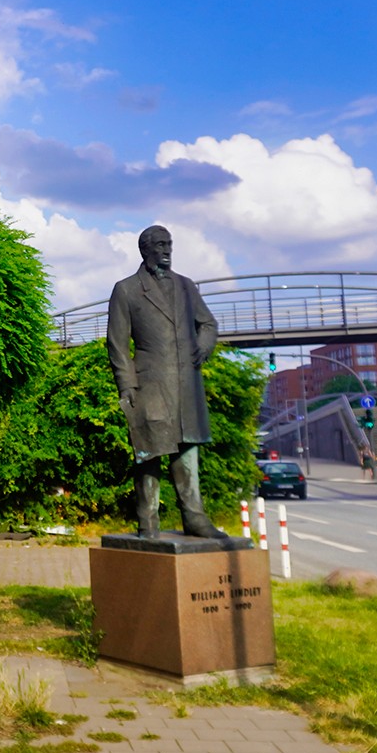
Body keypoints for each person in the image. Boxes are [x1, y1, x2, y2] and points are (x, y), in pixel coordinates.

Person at [106, 225, 227, 540]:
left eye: (169, 244)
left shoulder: (186, 287)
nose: (166, 250)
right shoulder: (127, 289)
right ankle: (148, 521)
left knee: (187, 450)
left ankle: (195, 518)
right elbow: (117, 344)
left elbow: (208, 323)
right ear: (145, 249)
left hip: (186, 382)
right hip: (150, 383)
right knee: (149, 452)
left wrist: (203, 345)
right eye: (160, 245)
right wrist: (126, 386)